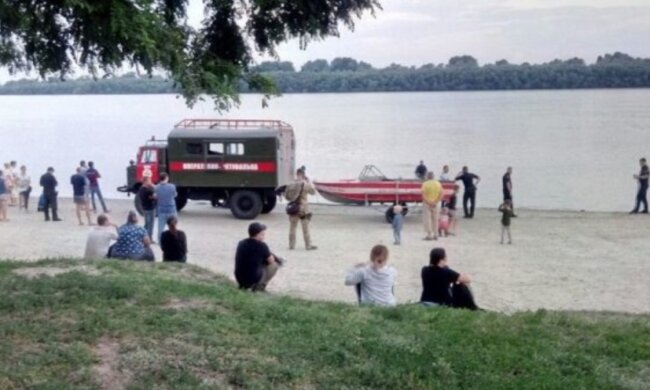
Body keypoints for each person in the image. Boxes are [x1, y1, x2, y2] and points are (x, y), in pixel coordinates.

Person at [234, 222, 282, 292]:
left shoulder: (241, 243)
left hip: (239, 278)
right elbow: (271, 261)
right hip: (252, 279)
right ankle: (260, 287)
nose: (264, 236)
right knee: (274, 265)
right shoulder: (262, 246)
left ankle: (244, 286)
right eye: (263, 234)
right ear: (258, 234)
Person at [285, 167, 317, 250]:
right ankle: (308, 245)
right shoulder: (305, 184)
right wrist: (309, 181)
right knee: (305, 228)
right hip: (303, 208)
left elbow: (286, 196)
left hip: (293, 208)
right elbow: (313, 192)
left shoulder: (291, 184)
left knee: (292, 227)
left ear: (297, 174)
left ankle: (291, 245)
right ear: (303, 175)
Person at [155, 172, 177, 243]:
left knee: (160, 227)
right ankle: (173, 239)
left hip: (161, 209)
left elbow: (156, 197)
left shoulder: (156, 187)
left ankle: (160, 241)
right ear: (167, 178)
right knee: (173, 225)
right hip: (171, 209)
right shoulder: (172, 186)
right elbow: (174, 195)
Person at [421, 172, 443, 241]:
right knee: (435, 219)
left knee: (427, 219)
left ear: (427, 176)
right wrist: (436, 201)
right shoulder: (438, 183)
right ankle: (436, 234)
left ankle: (429, 234)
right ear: (433, 176)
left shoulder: (425, 184)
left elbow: (423, 195)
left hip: (427, 203)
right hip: (435, 203)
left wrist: (428, 202)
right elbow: (441, 194)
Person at [138, 175, 156, 240]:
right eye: (149, 180)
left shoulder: (141, 189)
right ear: (145, 181)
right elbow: (154, 197)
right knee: (150, 224)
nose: (151, 181)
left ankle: (143, 236)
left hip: (145, 208)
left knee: (147, 223)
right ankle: (149, 237)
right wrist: (153, 187)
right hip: (150, 209)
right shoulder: (147, 191)